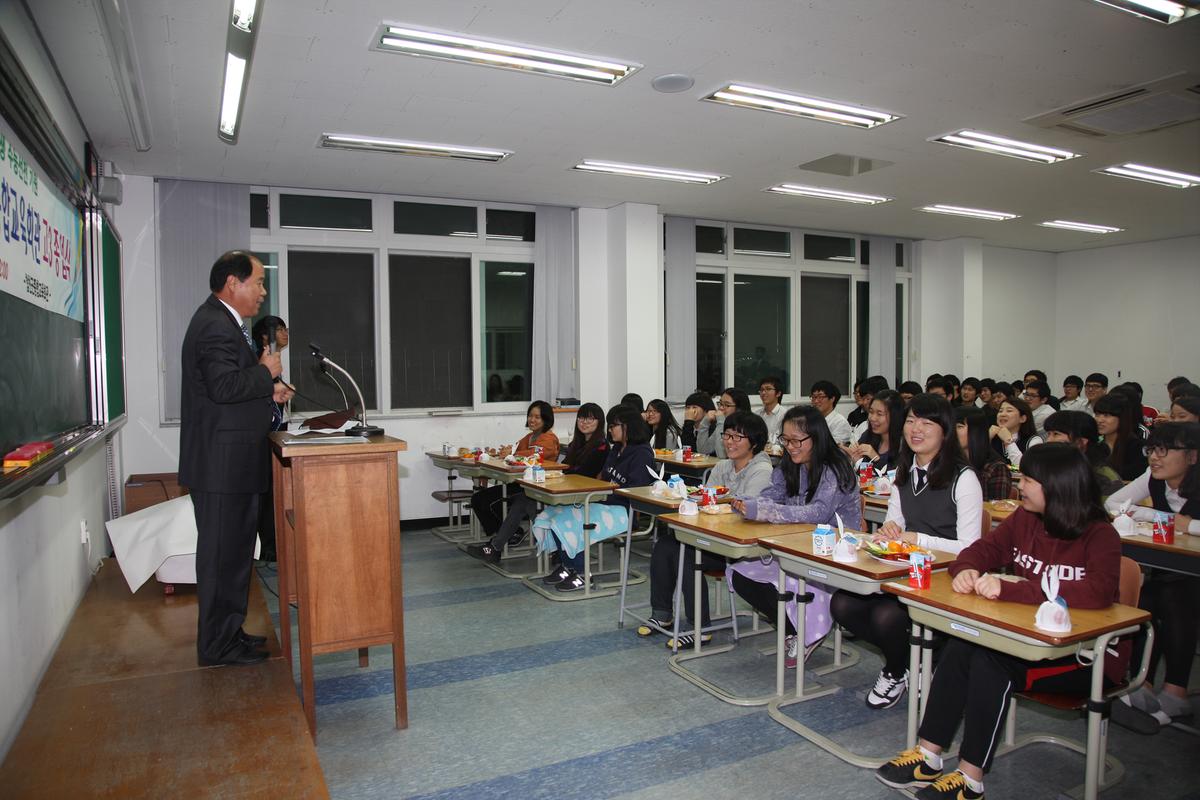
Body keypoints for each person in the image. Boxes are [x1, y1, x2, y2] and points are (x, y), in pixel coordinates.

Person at [876, 444, 1126, 800]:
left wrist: (1015, 590)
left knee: (990, 660)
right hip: (1025, 638)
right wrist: (967, 569)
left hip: (1083, 655)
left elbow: (1099, 592)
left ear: (1058, 486)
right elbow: (981, 550)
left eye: (1029, 480)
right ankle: (928, 755)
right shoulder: (1026, 519)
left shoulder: (1099, 534)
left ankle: (970, 778)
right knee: (963, 645)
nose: (1020, 486)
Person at [831, 394, 983, 710]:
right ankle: (906, 665)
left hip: (947, 576)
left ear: (945, 430)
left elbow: (970, 549)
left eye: (927, 423)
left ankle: (900, 667)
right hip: (906, 570)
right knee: (843, 604)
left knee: (888, 617)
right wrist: (888, 532)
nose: (916, 429)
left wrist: (918, 539)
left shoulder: (964, 478)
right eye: (912, 420)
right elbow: (894, 525)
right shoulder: (904, 470)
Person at [179, 250, 293, 667]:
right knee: (220, 559)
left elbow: (229, 390)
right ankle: (215, 646)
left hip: (234, 465)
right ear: (233, 283)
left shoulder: (228, 323)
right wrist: (264, 373)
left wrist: (269, 390)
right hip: (221, 467)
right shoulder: (213, 325)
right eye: (258, 282)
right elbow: (225, 387)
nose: (263, 292)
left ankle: (230, 633)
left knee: (235, 556)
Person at [729, 406, 862, 666]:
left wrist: (767, 510)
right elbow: (771, 495)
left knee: (792, 582)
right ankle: (794, 629)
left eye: (796, 440)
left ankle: (808, 632)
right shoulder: (790, 465)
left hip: (832, 553)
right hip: (795, 546)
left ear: (817, 437)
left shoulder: (835, 468)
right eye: (785, 440)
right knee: (743, 573)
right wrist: (747, 502)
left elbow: (817, 512)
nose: (790, 447)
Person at [640, 412, 774, 646]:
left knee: (689, 555)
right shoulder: (723, 466)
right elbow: (705, 500)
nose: (729, 441)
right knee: (666, 544)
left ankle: (699, 627)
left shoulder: (762, 470)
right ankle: (662, 614)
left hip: (743, 546)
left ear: (754, 441)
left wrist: (719, 506)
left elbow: (747, 508)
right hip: (717, 536)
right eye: (727, 435)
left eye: (737, 437)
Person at [1105, 422, 1200, 728]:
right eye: (1152, 450)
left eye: (1164, 450)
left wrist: (1191, 526)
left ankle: (1176, 692)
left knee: (1176, 596)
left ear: (1193, 457)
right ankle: (1140, 684)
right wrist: (1169, 519)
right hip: (1173, 569)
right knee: (1147, 596)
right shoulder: (1153, 477)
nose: (1154, 458)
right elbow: (1115, 503)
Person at [467, 403, 608, 564]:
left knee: (525, 500)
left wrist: (556, 476)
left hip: (582, 496)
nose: (584, 422)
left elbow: (582, 474)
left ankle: (551, 549)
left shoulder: (600, 447)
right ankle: (500, 547)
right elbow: (566, 468)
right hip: (564, 489)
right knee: (524, 499)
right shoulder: (576, 444)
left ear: (600, 422)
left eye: (590, 419)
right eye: (581, 418)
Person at [535, 406, 654, 591]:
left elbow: (638, 491)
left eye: (614, 425)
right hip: (604, 501)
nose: (610, 429)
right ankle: (568, 566)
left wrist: (604, 493)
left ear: (628, 427)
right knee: (553, 512)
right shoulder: (616, 450)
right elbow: (604, 477)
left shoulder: (642, 453)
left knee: (571, 519)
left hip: (624, 510)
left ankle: (582, 574)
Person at [468, 401, 560, 543]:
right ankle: (507, 534)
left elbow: (535, 454)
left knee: (487, 502)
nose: (532, 420)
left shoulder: (549, 438)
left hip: (536, 486)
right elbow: (516, 450)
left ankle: (506, 536)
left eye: (537, 417)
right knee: (478, 499)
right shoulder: (530, 436)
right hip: (521, 482)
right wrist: (506, 451)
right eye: (530, 416)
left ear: (546, 419)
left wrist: (512, 454)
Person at [250, 314, 289, 563]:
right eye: (281, 329)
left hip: (275, 431)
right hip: (261, 436)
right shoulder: (258, 363)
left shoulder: (275, 361)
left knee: (275, 491)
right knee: (265, 494)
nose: (286, 333)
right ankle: (267, 548)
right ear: (265, 336)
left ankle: (273, 545)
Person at [1043, 410, 1122, 497]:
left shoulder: (1104, 478)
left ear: (1081, 441)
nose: (1048, 440)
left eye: (1056, 434)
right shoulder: (1047, 467)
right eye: (1048, 434)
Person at [955, 406, 1011, 501]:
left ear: (976, 431)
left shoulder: (996, 468)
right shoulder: (946, 460)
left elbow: (996, 510)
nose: (952, 432)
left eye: (959, 426)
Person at [848, 388, 905, 475]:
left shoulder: (905, 444)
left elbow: (897, 479)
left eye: (879, 414)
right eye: (871, 412)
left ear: (895, 416)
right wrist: (858, 461)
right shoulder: (867, 436)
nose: (873, 418)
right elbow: (867, 482)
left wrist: (876, 459)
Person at [1093, 393, 1147, 480]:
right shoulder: (1095, 445)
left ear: (1122, 417)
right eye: (1097, 414)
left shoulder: (1137, 447)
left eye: (1106, 415)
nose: (1099, 420)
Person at [696, 387, 751, 458]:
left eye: (727, 405)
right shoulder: (724, 425)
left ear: (739, 408)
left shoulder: (745, 427)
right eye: (720, 404)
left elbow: (722, 455)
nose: (721, 408)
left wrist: (721, 422)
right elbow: (703, 450)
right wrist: (705, 422)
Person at [990, 397, 1043, 469]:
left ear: (1022, 418)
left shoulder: (1034, 440)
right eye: (1000, 411)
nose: (1002, 414)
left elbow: (1026, 468)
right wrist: (986, 439)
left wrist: (1009, 442)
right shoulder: (992, 436)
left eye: (1009, 411)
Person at [809, 380, 853, 445]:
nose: (816, 401)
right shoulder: (811, 419)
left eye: (820, 397)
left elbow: (835, 447)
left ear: (832, 398)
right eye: (814, 397)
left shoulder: (840, 422)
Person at [757, 376, 786, 441]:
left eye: (768, 389)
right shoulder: (757, 414)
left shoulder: (785, 415)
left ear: (778, 393)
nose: (763, 393)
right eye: (762, 390)